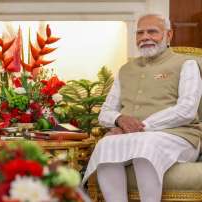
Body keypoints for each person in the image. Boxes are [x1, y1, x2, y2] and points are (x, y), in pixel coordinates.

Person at [82, 14, 202, 202]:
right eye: (140, 33)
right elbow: (105, 112)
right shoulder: (126, 69)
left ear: (168, 35)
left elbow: (186, 110)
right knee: (106, 145)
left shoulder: (186, 64)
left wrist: (140, 126)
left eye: (152, 31)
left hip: (180, 136)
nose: (145, 37)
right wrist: (120, 120)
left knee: (145, 146)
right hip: (132, 136)